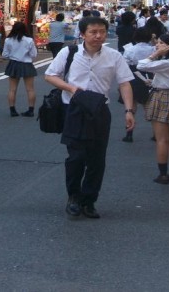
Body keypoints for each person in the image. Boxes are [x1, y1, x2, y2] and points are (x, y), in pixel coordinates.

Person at [44, 15, 135, 219]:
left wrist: (129, 111)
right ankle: (74, 197)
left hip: (100, 112)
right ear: (82, 34)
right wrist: (71, 89)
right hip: (73, 110)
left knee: (97, 159)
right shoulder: (69, 53)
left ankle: (89, 200)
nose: (98, 36)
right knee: (76, 157)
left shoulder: (113, 56)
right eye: (93, 32)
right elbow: (50, 75)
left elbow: (125, 83)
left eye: (102, 32)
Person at [135, 34, 169, 184]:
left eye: (161, 43)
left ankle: (163, 174)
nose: (157, 45)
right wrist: (153, 81)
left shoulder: (167, 62)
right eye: (157, 42)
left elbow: (141, 65)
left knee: (162, 139)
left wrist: (155, 54)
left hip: (162, 98)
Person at [119, 27, 156, 142]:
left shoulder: (130, 49)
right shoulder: (153, 49)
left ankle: (129, 133)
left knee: (131, 107)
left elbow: (125, 63)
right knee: (148, 106)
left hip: (133, 77)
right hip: (149, 76)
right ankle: (156, 133)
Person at [1, 21, 38, 117]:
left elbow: (4, 54)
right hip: (27, 64)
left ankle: (12, 110)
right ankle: (31, 110)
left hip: (13, 64)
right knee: (30, 89)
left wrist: (13, 55)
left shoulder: (8, 40)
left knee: (12, 89)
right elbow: (34, 54)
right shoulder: (29, 40)